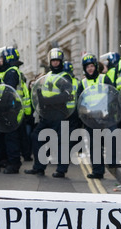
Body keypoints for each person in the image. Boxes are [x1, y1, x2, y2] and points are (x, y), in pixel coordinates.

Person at [24, 48, 74, 177]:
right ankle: (39, 167)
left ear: (61, 61)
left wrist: (48, 101)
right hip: (46, 114)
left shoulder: (65, 76)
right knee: (36, 136)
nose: (55, 63)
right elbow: (41, 94)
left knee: (60, 142)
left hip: (59, 113)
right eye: (53, 61)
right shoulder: (47, 76)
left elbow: (67, 95)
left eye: (57, 61)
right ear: (49, 62)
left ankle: (61, 170)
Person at [0, 46, 29, 174]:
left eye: (3, 57)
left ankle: (14, 164)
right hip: (2, 110)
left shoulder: (12, 72)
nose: (0, 60)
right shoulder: (8, 71)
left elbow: (7, 91)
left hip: (9, 110)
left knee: (11, 138)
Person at [77, 53, 115, 179]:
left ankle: (113, 162)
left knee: (112, 139)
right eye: (87, 67)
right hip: (91, 119)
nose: (90, 69)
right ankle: (98, 171)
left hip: (105, 116)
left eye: (92, 66)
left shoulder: (104, 78)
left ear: (96, 67)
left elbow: (112, 94)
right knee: (95, 145)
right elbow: (79, 101)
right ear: (84, 68)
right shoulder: (82, 83)